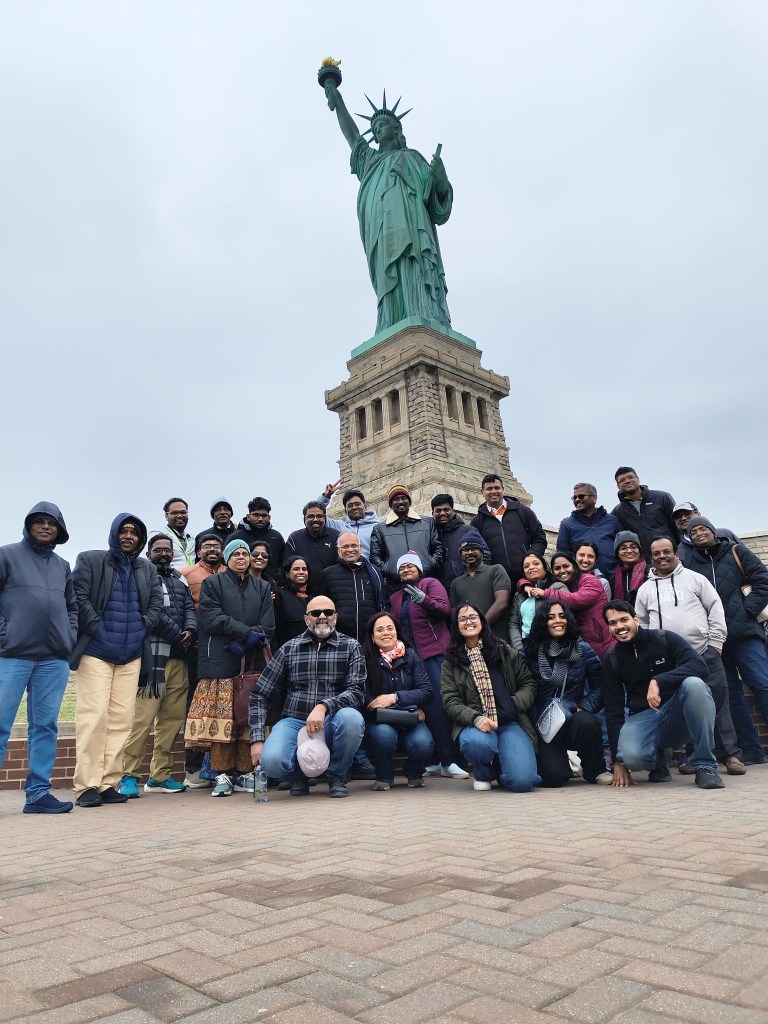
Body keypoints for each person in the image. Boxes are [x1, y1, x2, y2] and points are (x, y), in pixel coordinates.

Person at [323, 76, 453, 333]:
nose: (377, 130)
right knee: (387, 276)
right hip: (381, 233)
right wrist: (338, 101)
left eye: (382, 125)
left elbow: (437, 207)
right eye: (374, 128)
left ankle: (421, 312)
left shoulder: (413, 159)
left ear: (396, 129)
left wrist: (440, 179)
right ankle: (390, 320)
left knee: (412, 267)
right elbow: (352, 136)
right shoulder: (369, 162)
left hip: (413, 229)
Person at [71, 515, 164, 808]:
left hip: (131, 654)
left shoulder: (147, 568)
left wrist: (141, 628)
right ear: (114, 533)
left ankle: (108, 782)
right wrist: (97, 627)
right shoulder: (90, 560)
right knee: (94, 717)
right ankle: (86, 785)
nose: (128, 536)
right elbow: (78, 598)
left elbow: (156, 605)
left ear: (140, 539)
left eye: (134, 533)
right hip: (96, 651)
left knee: (121, 721)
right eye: (123, 531)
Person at [635, 537, 745, 776]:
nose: (662, 556)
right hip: (670, 663)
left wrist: (715, 644)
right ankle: (693, 757)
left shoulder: (696, 579)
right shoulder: (645, 589)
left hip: (704, 652)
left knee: (718, 704)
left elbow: (715, 608)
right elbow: (641, 623)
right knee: (686, 707)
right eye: (657, 553)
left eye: (667, 551)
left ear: (676, 553)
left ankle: (730, 755)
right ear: (651, 558)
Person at [0, 503, 77, 814]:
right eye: (40, 522)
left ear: (59, 530)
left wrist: (69, 636)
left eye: (52, 523)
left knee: (45, 726)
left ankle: (38, 794)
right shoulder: (6, 555)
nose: (46, 527)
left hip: (53, 659)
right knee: (1, 724)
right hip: (11, 655)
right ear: (28, 525)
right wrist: (4, 635)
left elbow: (71, 607)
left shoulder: (62, 565)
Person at [249, 598, 366, 799]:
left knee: (352, 720)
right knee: (272, 762)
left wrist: (324, 707)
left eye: (328, 612)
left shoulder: (351, 646)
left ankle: (337, 775)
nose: (322, 616)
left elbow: (357, 691)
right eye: (316, 613)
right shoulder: (289, 648)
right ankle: (297, 776)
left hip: (333, 721)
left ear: (336, 616)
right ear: (306, 619)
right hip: (295, 721)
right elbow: (259, 695)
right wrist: (257, 739)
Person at [185, 539, 275, 798]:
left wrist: (249, 639)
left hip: (252, 662)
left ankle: (245, 773)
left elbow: (268, 625)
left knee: (246, 717)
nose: (241, 557)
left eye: (245, 553)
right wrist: (245, 634)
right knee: (222, 720)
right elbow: (211, 618)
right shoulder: (213, 583)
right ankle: (222, 774)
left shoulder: (262, 586)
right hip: (220, 661)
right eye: (235, 554)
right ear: (226, 558)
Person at [601, 600, 724, 790]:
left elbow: (699, 666)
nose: (619, 626)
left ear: (636, 619)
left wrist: (658, 681)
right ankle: (658, 761)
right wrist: (618, 761)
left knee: (695, 685)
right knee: (630, 756)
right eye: (613, 623)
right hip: (644, 716)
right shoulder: (612, 659)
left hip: (677, 711)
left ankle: (705, 766)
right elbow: (613, 711)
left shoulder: (664, 638)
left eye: (624, 619)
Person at [681, 516, 768, 766]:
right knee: (730, 694)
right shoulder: (689, 564)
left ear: (713, 531)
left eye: (702, 528)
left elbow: (763, 581)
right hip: (715, 640)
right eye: (693, 532)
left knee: (762, 683)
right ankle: (751, 750)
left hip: (745, 633)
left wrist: (747, 610)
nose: (698, 533)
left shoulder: (736, 550)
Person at [119, 534, 197, 797]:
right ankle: (128, 775)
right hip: (153, 658)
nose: (163, 554)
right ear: (148, 553)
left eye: (167, 550)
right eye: (158, 550)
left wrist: (191, 629)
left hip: (179, 659)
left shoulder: (179, 578)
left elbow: (189, 607)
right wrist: (178, 634)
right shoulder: (142, 577)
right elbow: (153, 613)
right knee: (142, 720)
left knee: (171, 721)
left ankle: (160, 776)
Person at [441, 605, 540, 793]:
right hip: (475, 726)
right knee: (477, 744)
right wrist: (475, 718)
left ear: (482, 621)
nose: (469, 622)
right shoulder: (451, 662)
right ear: (456, 626)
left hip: (509, 722)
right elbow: (451, 701)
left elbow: (528, 683)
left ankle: (503, 768)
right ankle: (483, 771)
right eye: (462, 619)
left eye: (473, 617)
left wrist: (513, 704)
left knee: (522, 782)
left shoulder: (504, 650)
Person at [389, 551, 467, 779]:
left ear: (419, 569)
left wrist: (424, 599)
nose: (406, 570)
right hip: (410, 659)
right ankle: (433, 760)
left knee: (440, 707)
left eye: (410, 566)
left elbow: (445, 611)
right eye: (401, 568)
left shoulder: (430, 584)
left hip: (435, 653)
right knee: (422, 708)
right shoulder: (396, 597)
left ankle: (450, 760)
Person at [523, 601, 605, 787]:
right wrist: (534, 716)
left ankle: (595, 770)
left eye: (562, 616)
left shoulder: (583, 649)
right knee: (553, 778)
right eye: (551, 617)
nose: (557, 621)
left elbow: (600, 686)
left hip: (573, 714)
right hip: (543, 721)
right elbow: (522, 688)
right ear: (542, 622)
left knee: (587, 722)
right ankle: (563, 764)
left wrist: (584, 706)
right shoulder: (528, 651)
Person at [362, 612, 435, 790]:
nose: (385, 633)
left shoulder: (410, 655)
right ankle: (384, 776)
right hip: (382, 720)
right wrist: (412, 708)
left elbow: (426, 691)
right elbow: (367, 698)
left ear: (397, 631)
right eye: (380, 630)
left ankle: (414, 772)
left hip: (410, 720)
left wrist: (394, 698)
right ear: (372, 636)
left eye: (390, 628)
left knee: (424, 743)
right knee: (383, 737)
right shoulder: (366, 659)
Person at [179, 533, 227, 789]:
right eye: (206, 546)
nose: (212, 549)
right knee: (196, 706)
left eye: (216, 546)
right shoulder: (186, 574)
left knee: (222, 707)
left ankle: (219, 766)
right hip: (197, 650)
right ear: (198, 552)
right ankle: (194, 768)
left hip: (226, 649)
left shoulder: (231, 572)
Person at [525, 551, 614, 660]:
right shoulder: (564, 586)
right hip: (586, 642)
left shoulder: (589, 580)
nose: (562, 571)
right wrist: (525, 585)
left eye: (566, 566)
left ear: (574, 566)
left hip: (605, 640)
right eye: (557, 568)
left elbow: (577, 599)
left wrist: (545, 593)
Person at [470, 474, 546, 585]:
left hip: (527, 576)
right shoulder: (477, 521)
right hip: (497, 581)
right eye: (489, 489)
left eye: (497, 488)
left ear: (503, 489)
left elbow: (540, 537)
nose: (493, 491)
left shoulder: (522, 511)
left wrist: (531, 556)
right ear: (482, 492)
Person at [370, 485, 443, 589]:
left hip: (425, 582)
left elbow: (438, 548)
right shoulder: (380, 529)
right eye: (396, 499)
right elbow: (375, 557)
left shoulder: (427, 522)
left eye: (403, 498)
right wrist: (391, 570)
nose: (400, 501)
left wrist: (428, 564)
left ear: (409, 501)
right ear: (390, 504)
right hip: (396, 587)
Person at [318, 533, 387, 641]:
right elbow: (321, 607)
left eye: (354, 545)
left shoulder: (375, 572)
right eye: (345, 546)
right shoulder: (328, 574)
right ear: (338, 551)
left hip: (370, 637)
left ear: (360, 548)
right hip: (339, 638)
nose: (350, 549)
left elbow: (384, 603)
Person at [450, 530, 511, 639]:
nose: (469, 552)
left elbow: (501, 603)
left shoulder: (496, 570)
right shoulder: (456, 583)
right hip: (471, 642)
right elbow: (455, 614)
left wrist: (480, 626)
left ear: (482, 551)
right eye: (465, 550)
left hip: (497, 640)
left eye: (474, 549)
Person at [611, 467, 678, 558]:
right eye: (622, 480)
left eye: (630, 477)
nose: (627, 481)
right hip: (643, 561)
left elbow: (677, 525)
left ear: (638, 479)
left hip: (669, 556)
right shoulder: (618, 512)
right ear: (618, 486)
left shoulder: (662, 497)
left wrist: (680, 550)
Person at [556, 483, 620, 577]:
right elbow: (563, 555)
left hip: (614, 578)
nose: (577, 499)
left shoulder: (612, 520)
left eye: (581, 496)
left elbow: (623, 547)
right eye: (574, 497)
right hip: (581, 581)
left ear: (594, 498)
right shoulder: (567, 524)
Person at [508, 553, 567, 653]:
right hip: (526, 649)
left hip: (554, 649)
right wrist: (519, 648)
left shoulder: (558, 587)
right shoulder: (519, 595)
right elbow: (514, 624)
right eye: (526, 566)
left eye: (536, 563)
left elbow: (566, 614)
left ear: (545, 568)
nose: (531, 567)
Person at [314, 482, 381, 558]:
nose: (354, 507)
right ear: (345, 511)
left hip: (371, 565)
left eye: (357, 504)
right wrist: (325, 497)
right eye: (350, 506)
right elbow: (314, 513)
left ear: (365, 507)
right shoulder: (339, 527)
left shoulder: (378, 527)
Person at [285, 502, 341, 582]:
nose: (315, 519)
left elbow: (342, 565)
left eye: (319, 516)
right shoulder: (294, 538)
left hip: (332, 586)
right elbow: (287, 568)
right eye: (311, 516)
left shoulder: (336, 537)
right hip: (302, 587)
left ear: (325, 518)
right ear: (304, 519)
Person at [430, 493, 473, 589]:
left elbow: (484, 555)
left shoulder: (468, 530)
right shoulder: (429, 535)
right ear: (432, 513)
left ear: (453, 511)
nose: (442, 513)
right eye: (438, 510)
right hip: (438, 590)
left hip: (467, 587)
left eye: (446, 509)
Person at [229, 497, 285, 568]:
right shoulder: (236, 537)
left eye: (264, 515)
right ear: (248, 517)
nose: (260, 519)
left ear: (269, 518)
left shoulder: (277, 537)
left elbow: (283, 564)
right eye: (256, 515)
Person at [273, 556, 314, 649]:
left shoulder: (313, 598)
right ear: (287, 574)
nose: (301, 572)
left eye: (304, 569)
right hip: (287, 650)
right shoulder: (278, 594)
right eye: (296, 569)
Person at [153, 497, 195, 569]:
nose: (179, 516)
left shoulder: (192, 538)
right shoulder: (157, 535)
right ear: (166, 516)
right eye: (175, 513)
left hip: (191, 575)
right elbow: (145, 560)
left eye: (183, 512)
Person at [612, 531, 648, 607]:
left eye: (633, 547)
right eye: (623, 548)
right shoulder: (613, 579)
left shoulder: (651, 572)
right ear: (618, 553)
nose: (629, 551)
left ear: (639, 550)